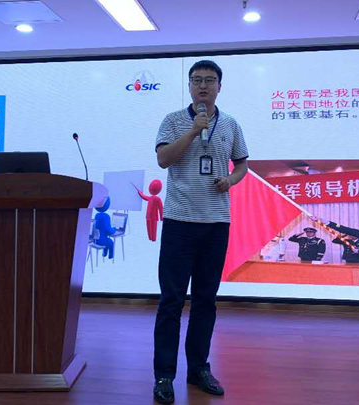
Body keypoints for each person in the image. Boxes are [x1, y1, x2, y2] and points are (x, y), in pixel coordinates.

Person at [153, 60, 248, 404]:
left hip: (216, 224)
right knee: (171, 301)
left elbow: (242, 164)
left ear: (220, 86)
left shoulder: (231, 124)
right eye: (197, 80)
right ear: (190, 86)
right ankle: (164, 375)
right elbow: (164, 159)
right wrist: (193, 131)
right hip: (179, 222)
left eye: (209, 80)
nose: (203, 86)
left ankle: (198, 369)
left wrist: (231, 179)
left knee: (206, 301)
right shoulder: (173, 121)